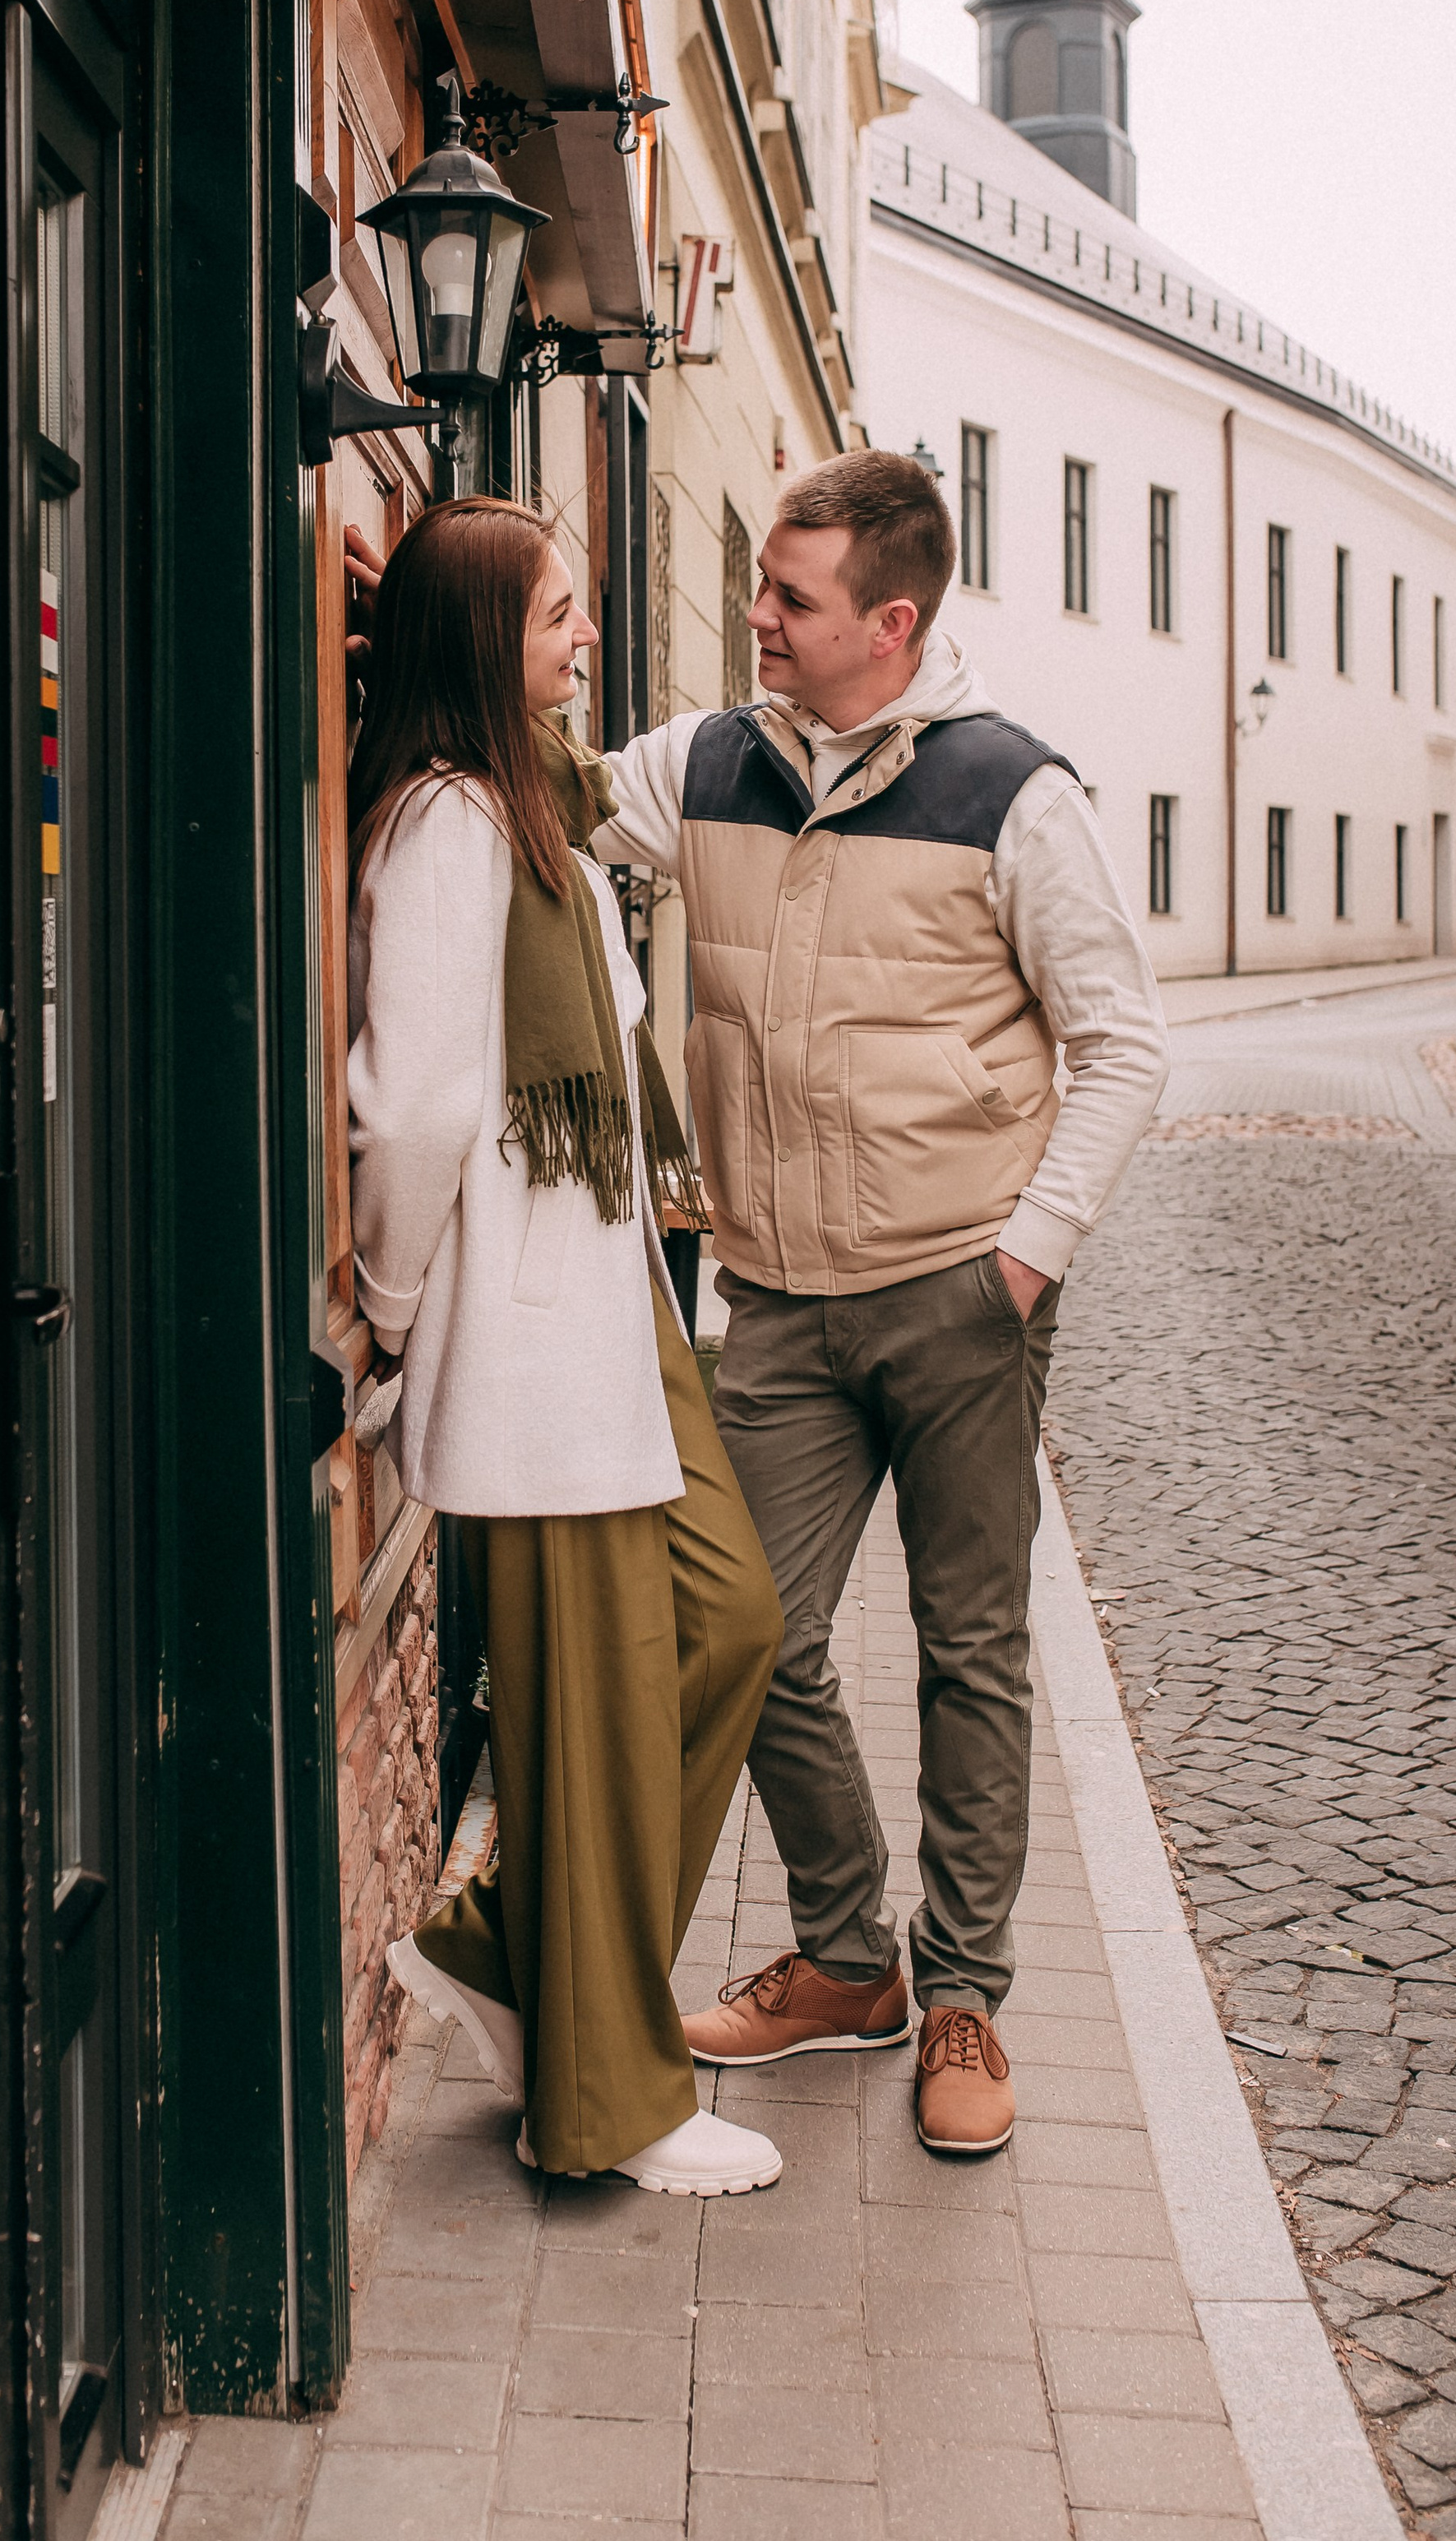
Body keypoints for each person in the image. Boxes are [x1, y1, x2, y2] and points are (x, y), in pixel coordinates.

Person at [591, 452, 1170, 2156]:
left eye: (790, 600)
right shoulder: (701, 762)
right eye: (761, 587)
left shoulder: (1011, 792)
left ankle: (965, 1992)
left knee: (967, 1650)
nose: (755, 620)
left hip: (956, 1298)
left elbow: (1120, 1041)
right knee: (749, 1632)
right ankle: (847, 1957)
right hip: (772, 1302)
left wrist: (1019, 1259)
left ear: (889, 622)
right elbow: (537, 792)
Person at [348, 496, 785, 2196]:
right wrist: (389, 1321)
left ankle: (502, 1946)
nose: (583, 641)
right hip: (532, 1346)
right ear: (481, 638)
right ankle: (606, 2099)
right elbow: (417, 1110)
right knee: (593, 1711)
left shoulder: (535, 804)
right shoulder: (450, 827)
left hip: (614, 1318)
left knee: (726, 1621)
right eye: (557, 618)